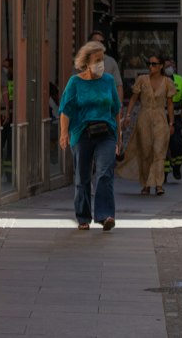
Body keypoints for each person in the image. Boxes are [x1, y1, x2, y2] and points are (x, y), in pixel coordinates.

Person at [58, 39, 122, 230]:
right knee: (82, 177)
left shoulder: (108, 81)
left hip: (106, 133)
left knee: (104, 173)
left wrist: (119, 136)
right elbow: (66, 109)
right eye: (97, 60)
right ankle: (83, 216)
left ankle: (105, 215)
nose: (101, 64)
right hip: (82, 133)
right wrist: (63, 133)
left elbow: (116, 110)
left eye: (102, 59)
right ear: (86, 62)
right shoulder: (75, 82)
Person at [117, 53, 173, 195]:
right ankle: (146, 184)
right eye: (149, 63)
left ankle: (159, 184)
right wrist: (128, 115)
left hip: (160, 118)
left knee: (159, 150)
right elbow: (134, 99)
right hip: (144, 117)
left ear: (161, 66)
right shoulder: (142, 79)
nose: (151, 66)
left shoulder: (167, 82)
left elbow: (170, 104)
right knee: (146, 152)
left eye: (154, 64)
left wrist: (171, 122)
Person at [164, 57, 182, 181]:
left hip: (176, 117)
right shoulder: (158, 80)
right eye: (167, 65)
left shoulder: (180, 80)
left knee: (176, 143)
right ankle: (163, 173)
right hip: (161, 116)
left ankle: (176, 166)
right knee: (163, 144)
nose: (169, 68)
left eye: (171, 65)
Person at [90, 30, 124, 104]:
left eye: (101, 42)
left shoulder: (111, 62)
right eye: (96, 41)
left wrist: (119, 106)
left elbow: (118, 86)